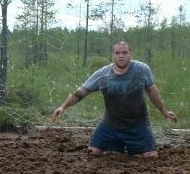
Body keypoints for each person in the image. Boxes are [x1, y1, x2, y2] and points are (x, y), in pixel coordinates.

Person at [50, 40, 178, 158]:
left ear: (130, 54)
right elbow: (81, 92)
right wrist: (63, 107)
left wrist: (164, 111)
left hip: (138, 124)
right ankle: (117, 146)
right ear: (113, 55)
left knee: (151, 156)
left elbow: (152, 91)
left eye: (124, 52)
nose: (121, 56)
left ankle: (131, 146)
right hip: (110, 125)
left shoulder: (142, 70)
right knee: (93, 153)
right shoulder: (103, 75)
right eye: (117, 53)